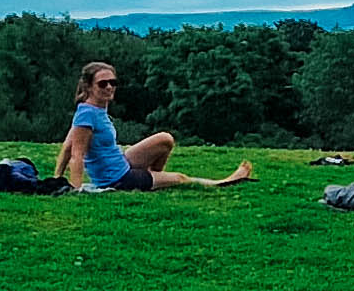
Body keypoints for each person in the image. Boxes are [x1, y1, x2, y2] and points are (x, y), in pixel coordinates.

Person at [58, 62, 254, 193]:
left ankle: (154, 179)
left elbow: (67, 145)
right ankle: (222, 182)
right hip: (117, 178)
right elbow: (76, 154)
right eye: (103, 84)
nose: (109, 87)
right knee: (181, 178)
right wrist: (76, 190)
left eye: (113, 82)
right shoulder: (87, 114)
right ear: (89, 86)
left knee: (165, 139)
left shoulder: (91, 110)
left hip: (121, 163)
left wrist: (56, 178)